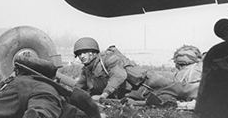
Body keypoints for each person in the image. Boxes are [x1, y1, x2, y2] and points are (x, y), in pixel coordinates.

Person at [73, 37, 203, 104]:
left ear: (94, 52)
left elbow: (119, 76)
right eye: (79, 54)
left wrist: (104, 95)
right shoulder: (87, 71)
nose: (82, 56)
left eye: (85, 52)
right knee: (167, 98)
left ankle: (208, 92)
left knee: (179, 89)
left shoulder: (108, 59)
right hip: (135, 92)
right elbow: (79, 87)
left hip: (147, 81)